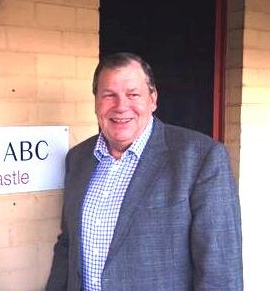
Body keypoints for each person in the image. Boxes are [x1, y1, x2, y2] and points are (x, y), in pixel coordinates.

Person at [46, 52, 243, 290]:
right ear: (96, 101)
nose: (121, 106)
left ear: (153, 99)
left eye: (133, 95)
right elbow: (68, 244)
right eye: (109, 95)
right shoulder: (78, 159)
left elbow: (220, 268)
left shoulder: (201, 158)